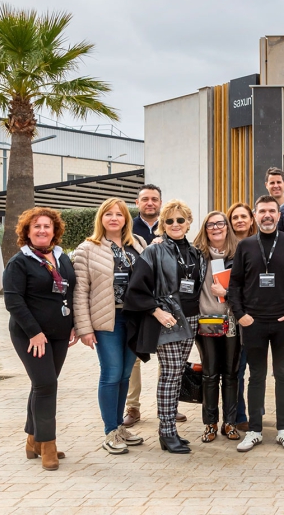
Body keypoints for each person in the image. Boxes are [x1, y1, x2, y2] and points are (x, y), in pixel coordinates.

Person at [227, 195, 284, 452]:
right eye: (262, 211)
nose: (267, 215)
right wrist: (240, 314)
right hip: (253, 323)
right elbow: (235, 284)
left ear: (278, 214)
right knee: (256, 376)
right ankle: (255, 430)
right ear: (255, 215)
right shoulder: (246, 246)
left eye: (272, 210)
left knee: (283, 375)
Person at [123, 199, 204, 454]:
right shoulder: (154, 251)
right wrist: (156, 311)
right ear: (162, 225)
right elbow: (135, 290)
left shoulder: (194, 252)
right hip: (167, 319)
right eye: (169, 220)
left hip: (191, 319)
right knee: (170, 374)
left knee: (178, 372)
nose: (175, 224)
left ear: (189, 223)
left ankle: (169, 430)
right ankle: (167, 432)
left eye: (181, 220)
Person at [4, 207, 77, 470]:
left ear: (54, 231)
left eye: (47, 226)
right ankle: (48, 445)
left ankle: (33, 440)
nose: (42, 230)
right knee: (46, 385)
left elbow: (70, 292)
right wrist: (34, 333)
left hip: (58, 334)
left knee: (42, 384)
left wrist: (73, 324)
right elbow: (13, 301)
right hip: (30, 334)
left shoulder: (62, 257)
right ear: (27, 232)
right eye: (36, 227)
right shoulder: (19, 262)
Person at [72, 198, 147, 455]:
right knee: (111, 373)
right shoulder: (86, 249)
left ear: (126, 218)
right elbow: (79, 292)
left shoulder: (138, 244)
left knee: (126, 374)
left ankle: (120, 427)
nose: (114, 218)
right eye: (108, 214)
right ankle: (110, 431)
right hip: (107, 320)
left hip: (135, 319)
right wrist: (84, 328)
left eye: (119, 214)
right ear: (101, 218)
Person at [191, 211, 241, 443]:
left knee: (230, 374)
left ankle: (229, 423)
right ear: (205, 229)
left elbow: (248, 288)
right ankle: (210, 424)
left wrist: (227, 293)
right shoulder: (195, 254)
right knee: (210, 375)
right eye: (211, 225)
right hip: (205, 322)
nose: (216, 228)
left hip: (231, 322)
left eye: (220, 223)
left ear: (227, 227)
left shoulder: (239, 252)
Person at [123, 183, 164, 428]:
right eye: (145, 199)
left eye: (155, 199)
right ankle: (133, 407)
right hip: (137, 302)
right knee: (134, 356)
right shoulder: (128, 229)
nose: (150, 203)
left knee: (166, 357)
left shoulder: (170, 224)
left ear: (160, 202)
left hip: (164, 303)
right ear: (137, 203)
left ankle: (166, 405)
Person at [226, 201, 256, 431]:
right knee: (235, 369)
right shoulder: (223, 247)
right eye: (235, 217)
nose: (239, 221)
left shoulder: (261, 245)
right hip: (229, 318)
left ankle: (255, 412)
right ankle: (238, 415)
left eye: (243, 216)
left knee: (255, 369)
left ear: (251, 219)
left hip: (256, 317)